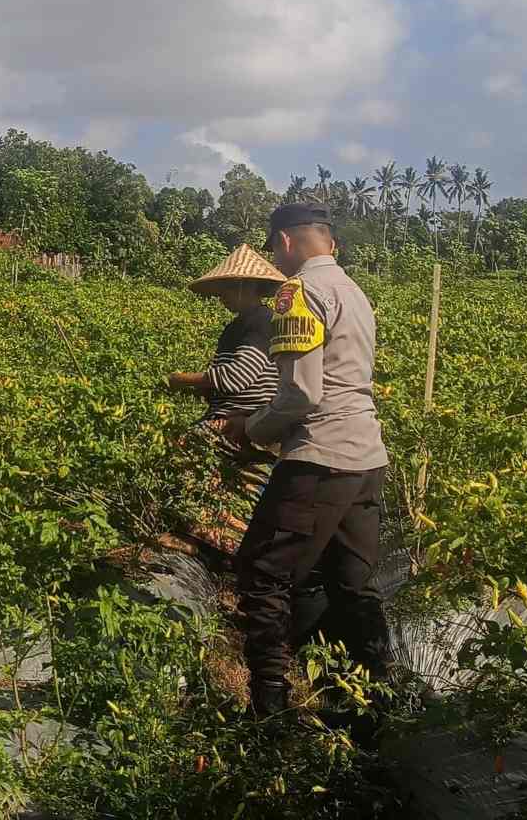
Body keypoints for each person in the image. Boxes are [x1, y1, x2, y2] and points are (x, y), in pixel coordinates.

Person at [230, 203, 394, 725]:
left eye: (274, 249)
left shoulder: (297, 292)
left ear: (284, 241)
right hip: (366, 457)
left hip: (321, 456)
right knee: (352, 583)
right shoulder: (354, 291)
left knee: (262, 572)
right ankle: (375, 706)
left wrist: (250, 428)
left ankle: (270, 708)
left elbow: (301, 393)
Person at [164, 245, 285, 555]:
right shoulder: (238, 326)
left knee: (186, 446)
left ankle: (199, 541)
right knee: (227, 486)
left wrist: (182, 380)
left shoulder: (260, 322)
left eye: (227, 288)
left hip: (245, 418)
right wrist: (199, 389)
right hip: (235, 413)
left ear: (246, 286)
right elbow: (225, 382)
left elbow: (237, 377)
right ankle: (216, 545)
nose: (221, 296)